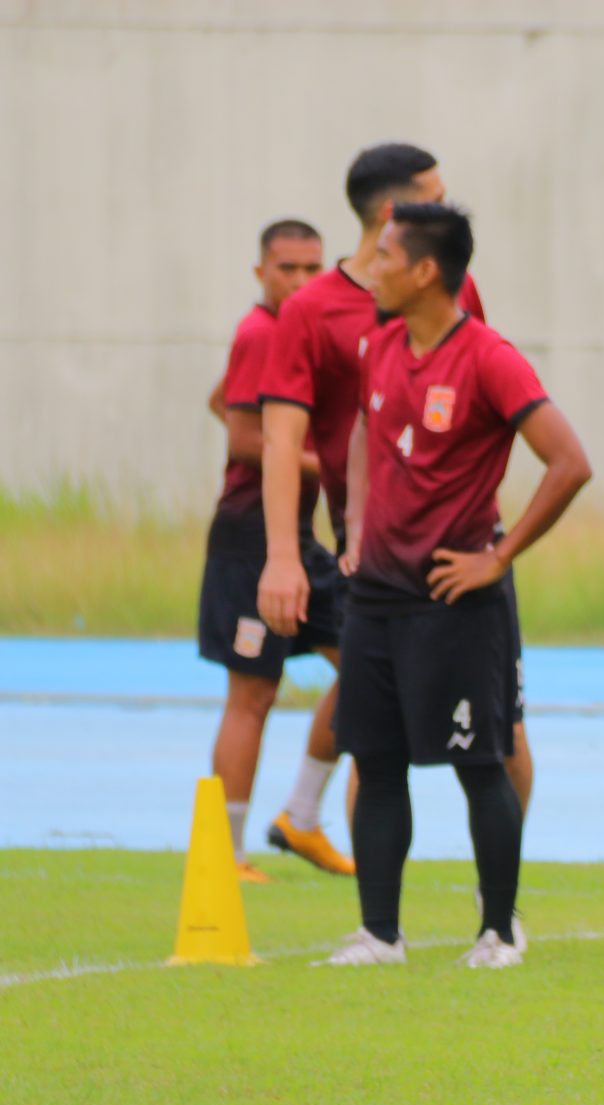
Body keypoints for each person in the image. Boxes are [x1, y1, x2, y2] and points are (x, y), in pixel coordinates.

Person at [323, 203, 591, 967]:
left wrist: (499, 557)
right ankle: (380, 934)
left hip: (456, 596)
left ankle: (498, 931)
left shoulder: (488, 358)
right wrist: (356, 522)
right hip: (376, 594)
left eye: (383, 257)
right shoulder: (379, 346)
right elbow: (366, 435)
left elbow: (569, 461)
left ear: (425, 271)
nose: (369, 269)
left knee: (481, 762)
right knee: (374, 761)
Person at [256, 143, 538, 821]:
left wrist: (493, 545)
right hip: (371, 565)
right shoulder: (310, 312)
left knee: (501, 738)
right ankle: (379, 924)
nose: (450, 208)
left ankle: (497, 909)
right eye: (436, 197)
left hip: (461, 555)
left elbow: (485, 399)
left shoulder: (453, 287)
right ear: (394, 211)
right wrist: (286, 557)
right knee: (375, 745)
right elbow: (282, 438)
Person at [198, 219, 354, 883]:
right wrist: (335, 463)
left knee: (369, 665)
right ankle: (227, 856)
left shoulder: (296, 335)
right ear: (260, 271)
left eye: (311, 268)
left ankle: (300, 815)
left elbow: (222, 400)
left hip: (297, 535)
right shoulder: (261, 331)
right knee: (253, 695)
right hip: (251, 538)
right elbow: (241, 438)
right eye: (286, 268)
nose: (299, 281)